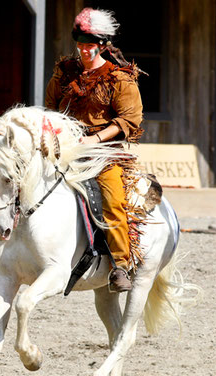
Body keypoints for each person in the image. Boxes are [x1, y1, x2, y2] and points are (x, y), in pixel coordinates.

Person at [45, 8, 144, 292]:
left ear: (101, 45)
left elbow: (128, 119)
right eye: (80, 45)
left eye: (89, 45)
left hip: (103, 152)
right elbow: (50, 107)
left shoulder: (118, 77)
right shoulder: (64, 72)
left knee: (112, 200)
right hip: (64, 146)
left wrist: (94, 140)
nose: (84, 51)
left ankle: (121, 265)